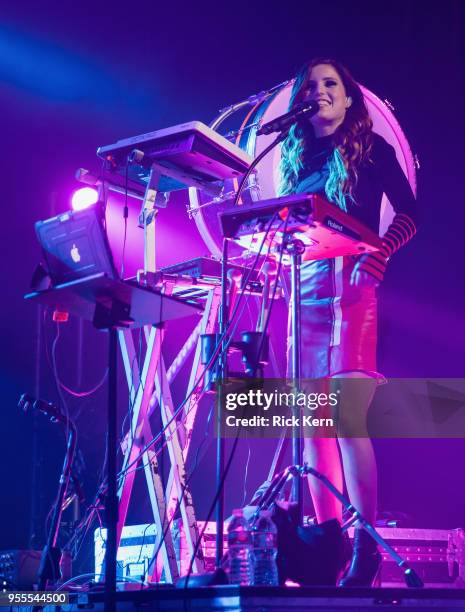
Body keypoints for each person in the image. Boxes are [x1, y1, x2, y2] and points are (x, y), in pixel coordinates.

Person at [278, 58, 418, 586]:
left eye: (330, 83)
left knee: (346, 420)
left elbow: (411, 212)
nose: (321, 91)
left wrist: (384, 248)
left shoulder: (371, 149)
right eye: (312, 85)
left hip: (353, 289)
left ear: (347, 95)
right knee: (313, 429)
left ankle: (367, 542)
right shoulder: (294, 154)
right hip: (304, 294)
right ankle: (328, 540)